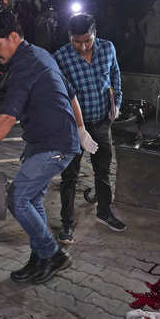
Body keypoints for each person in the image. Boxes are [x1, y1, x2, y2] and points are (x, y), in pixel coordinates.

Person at [0, 10, 97, 284]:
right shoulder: (39, 54)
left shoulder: (25, 66)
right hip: (46, 140)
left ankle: (52, 254)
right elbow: (71, 93)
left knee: (17, 198)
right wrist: (81, 129)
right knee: (32, 198)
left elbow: (7, 117)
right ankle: (39, 258)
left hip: (55, 143)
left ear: (13, 38)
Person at [53, 13, 125, 244]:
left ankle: (104, 211)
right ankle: (67, 223)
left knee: (103, 171)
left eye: (87, 40)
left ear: (95, 34)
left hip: (102, 121)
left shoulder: (108, 48)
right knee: (69, 177)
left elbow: (115, 75)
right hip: (74, 129)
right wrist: (77, 129)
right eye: (77, 41)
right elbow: (60, 97)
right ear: (69, 36)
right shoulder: (60, 58)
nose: (82, 46)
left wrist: (117, 104)